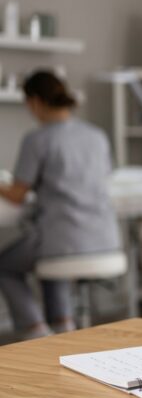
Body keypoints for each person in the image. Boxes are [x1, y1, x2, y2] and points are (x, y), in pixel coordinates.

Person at [0, 71, 120, 340]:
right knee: (48, 256)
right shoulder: (97, 136)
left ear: (35, 102)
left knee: (6, 265)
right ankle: (63, 324)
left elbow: (18, 194)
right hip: (106, 237)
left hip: (62, 238)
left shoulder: (38, 140)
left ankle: (35, 329)